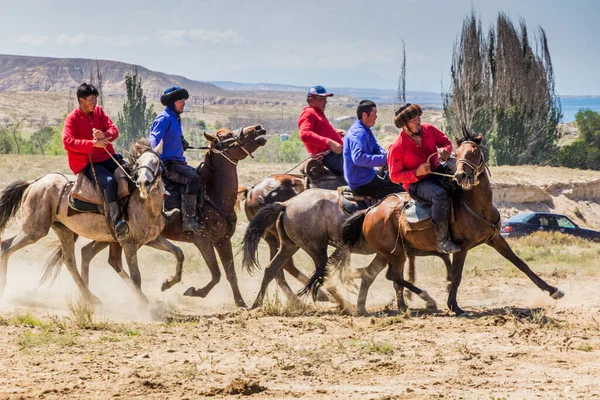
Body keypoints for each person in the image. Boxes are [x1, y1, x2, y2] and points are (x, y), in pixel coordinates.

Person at [387, 103, 460, 254]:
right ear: (404, 125)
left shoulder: (429, 129)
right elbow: (394, 176)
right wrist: (416, 172)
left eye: (418, 117)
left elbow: (446, 142)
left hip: (437, 171)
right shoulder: (397, 147)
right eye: (413, 120)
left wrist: (445, 151)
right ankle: (442, 241)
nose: (418, 121)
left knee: (462, 175)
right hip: (417, 184)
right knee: (440, 195)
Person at [62, 82, 129, 239]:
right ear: (81, 100)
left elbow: (114, 130)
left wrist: (104, 135)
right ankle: (117, 221)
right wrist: (93, 144)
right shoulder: (72, 119)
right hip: (87, 162)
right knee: (110, 182)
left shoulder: (99, 112)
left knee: (132, 172)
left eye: (95, 98)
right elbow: (67, 142)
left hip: (107, 156)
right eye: (91, 99)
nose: (95, 102)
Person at [149, 86, 204, 233]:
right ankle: (188, 220)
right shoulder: (164, 118)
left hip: (178, 162)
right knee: (193, 179)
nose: (183, 103)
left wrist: (181, 142)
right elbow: (154, 140)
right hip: (167, 164)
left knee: (202, 174)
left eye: (184, 100)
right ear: (172, 102)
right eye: (180, 100)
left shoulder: (175, 118)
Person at [343, 100, 403, 198]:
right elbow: (359, 158)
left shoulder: (366, 130)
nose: (376, 117)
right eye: (374, 114)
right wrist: (386, 159)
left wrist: (389, 155)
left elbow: (376, 148)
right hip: (361, 182)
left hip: (368, 176)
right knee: (400, 193)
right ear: (364, 115)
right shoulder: (358, 133)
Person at [298, 85, 345, 176]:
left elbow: (320, 131)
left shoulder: (317, 113)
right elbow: (304, 134)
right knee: (360, 171)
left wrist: (336, 133)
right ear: (311, 100)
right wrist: (329, 142)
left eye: (325, 99)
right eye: (321, 99)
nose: (325, 102)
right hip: (329, 156)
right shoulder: (309, 113)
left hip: (333, 155)